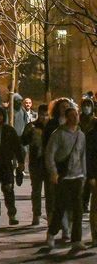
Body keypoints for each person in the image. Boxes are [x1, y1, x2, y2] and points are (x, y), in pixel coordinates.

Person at [43, 101, 86, 255]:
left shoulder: (81, 135)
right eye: (72, 115)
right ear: (67, 118)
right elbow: (49, 154)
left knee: (78, 210)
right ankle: (52, 233)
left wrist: (84, 175)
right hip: (63, 177)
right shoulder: (59, 134)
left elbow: (83, 157)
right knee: (60, 208)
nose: (75, 118)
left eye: (76, 115)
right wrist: (53, 172)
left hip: (77, 176)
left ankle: (76, 240)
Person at [23, 102, 50, 226]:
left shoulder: (52, 127)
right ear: (38, 114)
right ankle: (36, 214)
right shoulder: (32, 126)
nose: (44, 117)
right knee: (36, 190)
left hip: (49, 163)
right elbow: (23, 141)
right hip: (36, 162)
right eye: (42, 115)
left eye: (46, 115)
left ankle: (50, 215)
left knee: (50, 192)